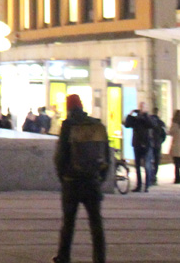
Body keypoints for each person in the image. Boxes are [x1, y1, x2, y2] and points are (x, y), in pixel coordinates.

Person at [52, 93, 108, 263]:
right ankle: (99, 258)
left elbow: (60, 156)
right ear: (82, 106)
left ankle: (64, 257)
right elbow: (106, 156)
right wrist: (100, 178)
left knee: (68, 223)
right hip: (92, 181)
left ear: (68, 108)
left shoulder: (68, 125)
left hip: (72, 182)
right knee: (96, 223)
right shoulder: (97, 125)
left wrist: (63, 177)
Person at [124, 103, 156, 192]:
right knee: (137, 166)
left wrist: (145, 115)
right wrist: (130, 114)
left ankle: (147, 185)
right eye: (140, 107)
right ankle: (139, 185)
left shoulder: (149, 118)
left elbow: (151, 125)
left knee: (147, 165)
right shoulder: (136, 119)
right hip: (137, 144)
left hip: (146, 144)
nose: (141, 109)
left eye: (143, 107)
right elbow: (127, 125)